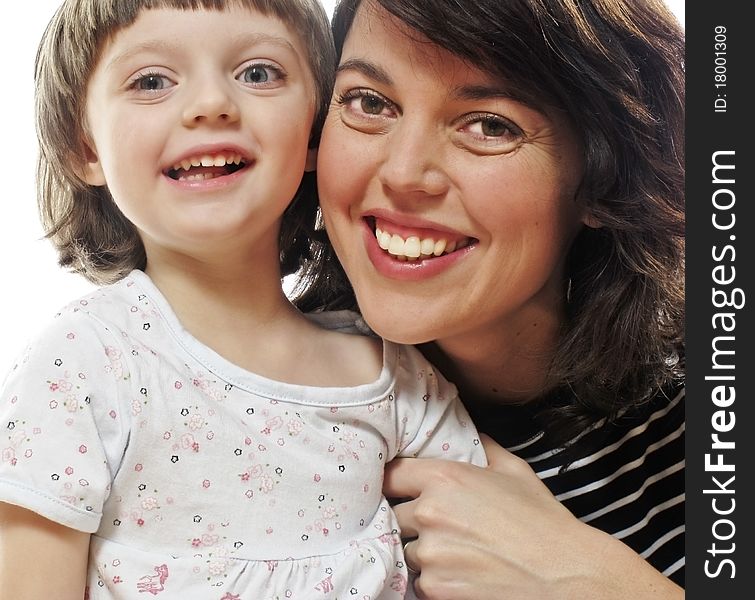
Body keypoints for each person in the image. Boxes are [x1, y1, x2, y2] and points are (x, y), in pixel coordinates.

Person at [0, 1, 485, 598]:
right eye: (151, 81)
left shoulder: (394, 375)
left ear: (314, 133)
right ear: (87, 150)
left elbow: (494, 550)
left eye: (258, 73)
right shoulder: (83, 365)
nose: (211, 104)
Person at [297, 0, 685, 597]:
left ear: (605, 177)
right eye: (369, 103)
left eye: (489, 124)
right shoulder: (236, 410)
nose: (404, 173)